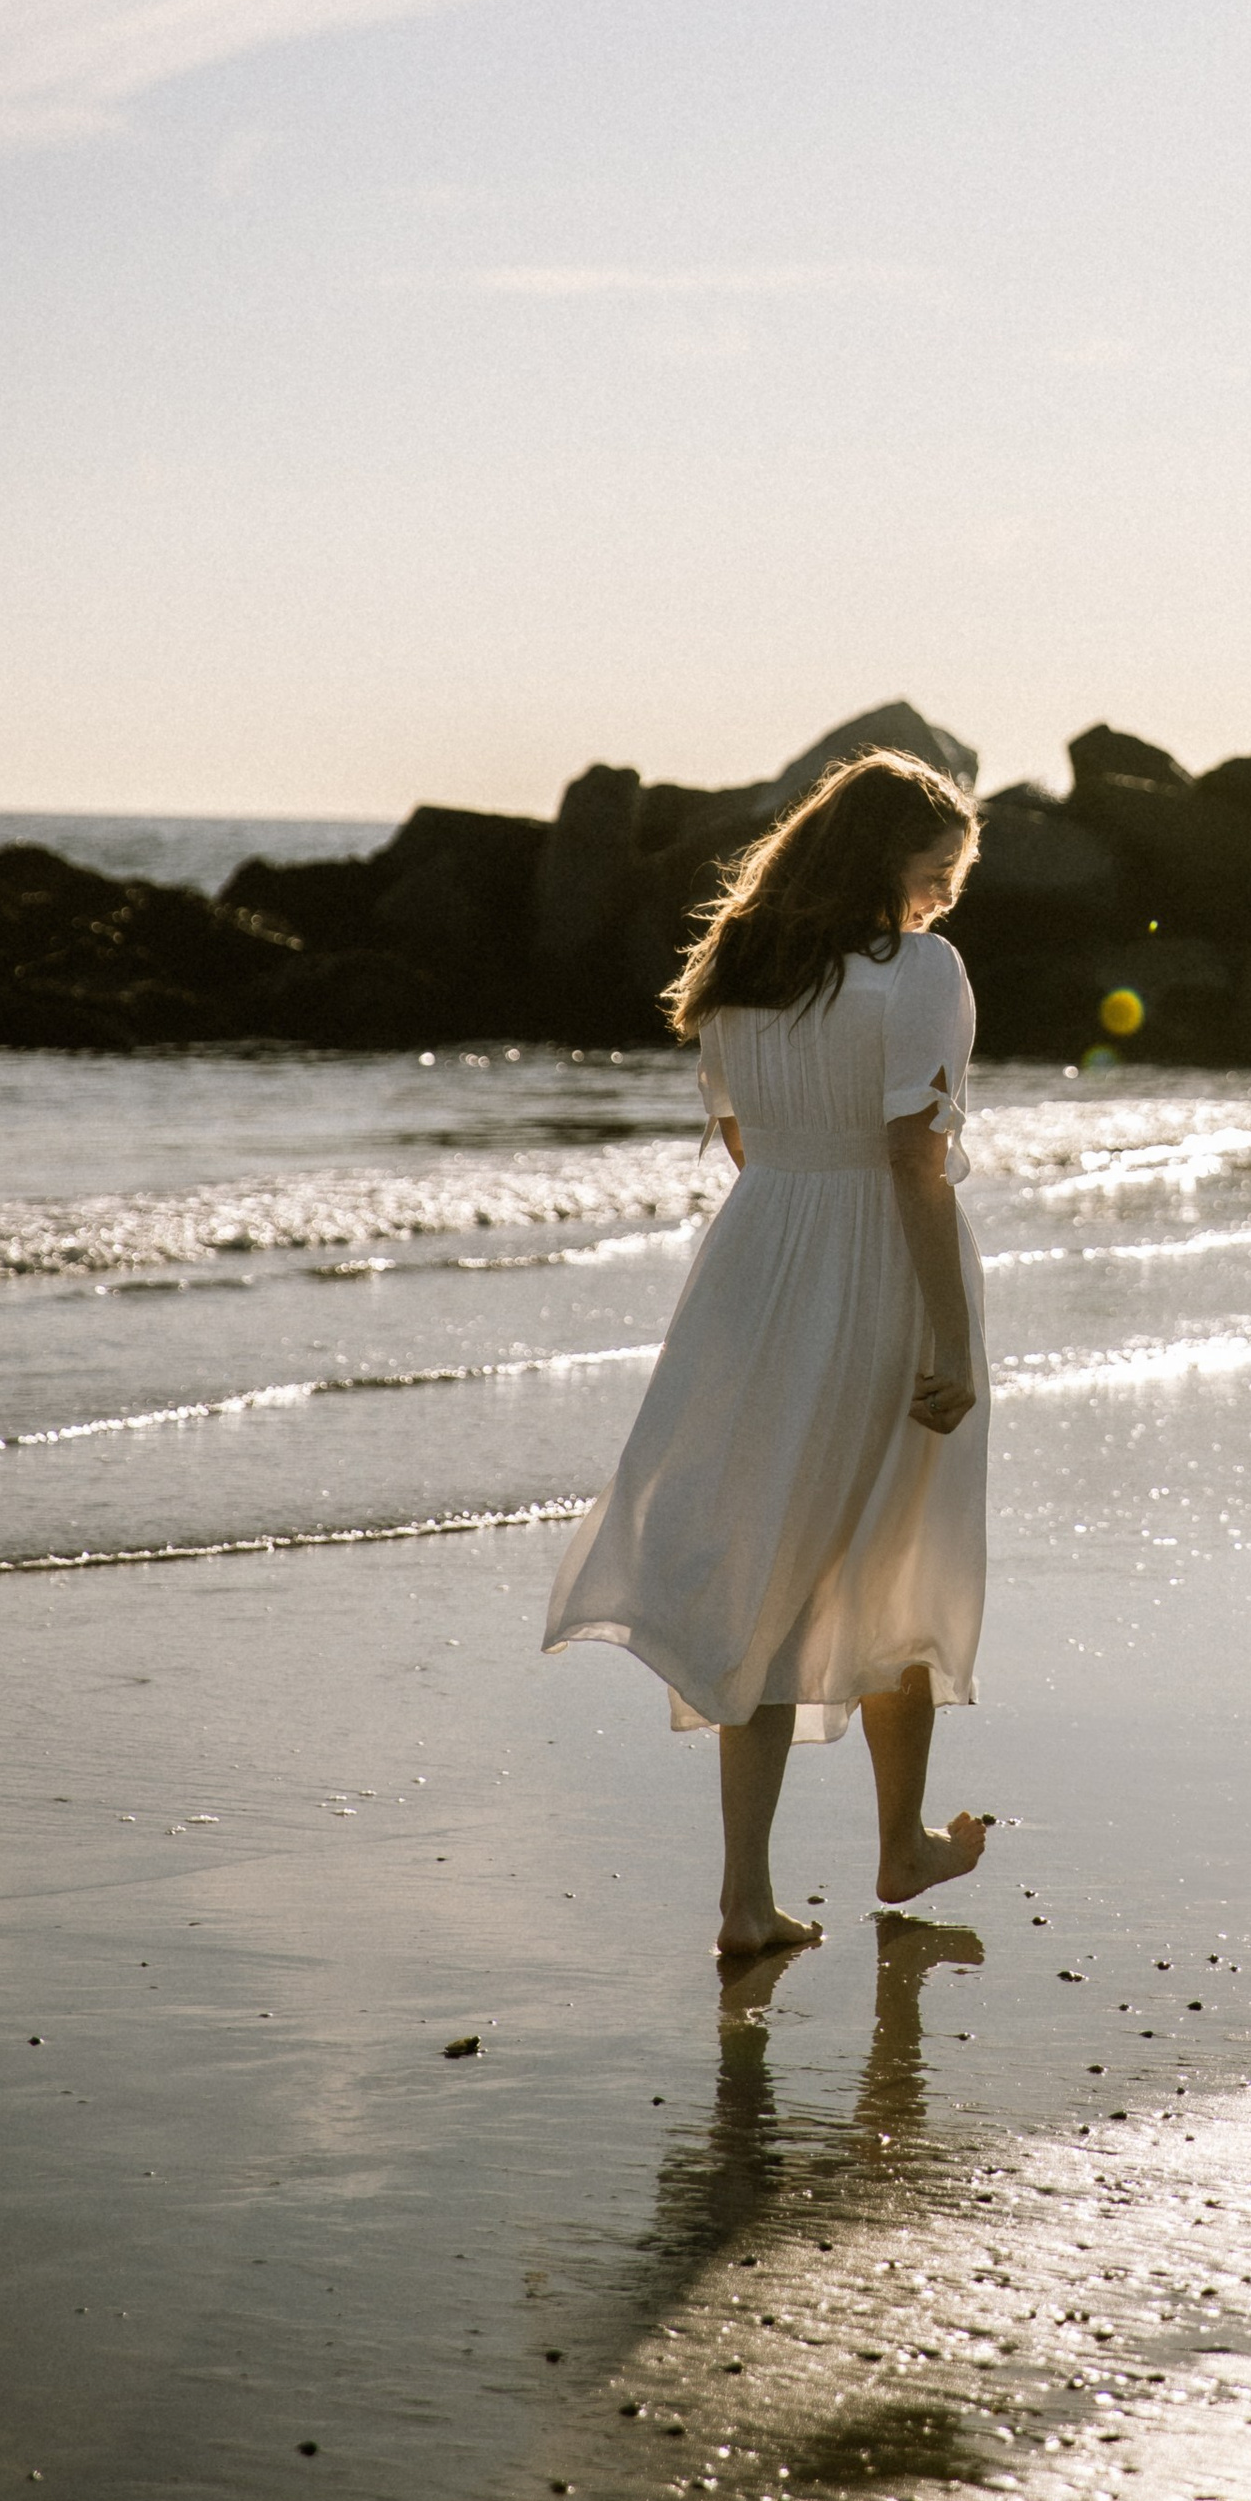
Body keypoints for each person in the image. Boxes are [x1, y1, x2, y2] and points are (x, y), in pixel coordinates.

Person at [542, 748, 990, 1956]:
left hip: (754, 1268)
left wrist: (794, 1237)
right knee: (892, 1555)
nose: (946, 896)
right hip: (880, 1272)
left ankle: (747, 1899)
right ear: (880, 859)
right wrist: (946, 1334)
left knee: (767, 1567)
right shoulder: (919, 975)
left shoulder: (742, 972)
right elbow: (915, 1163)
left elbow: (743, 1140)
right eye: (936, 870)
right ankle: (900, 1848)